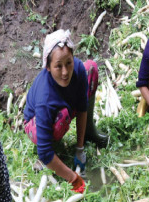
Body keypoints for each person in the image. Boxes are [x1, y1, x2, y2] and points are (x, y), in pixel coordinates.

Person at [23, 29, 108, 193]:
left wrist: (80, 148)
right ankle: (56, 146)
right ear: (48, 67)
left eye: (68, 63)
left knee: (91, 68)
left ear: (73, 58)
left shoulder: (78, 70)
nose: (65, 72)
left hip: (66, 106)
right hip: (36, 122)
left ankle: (89, 132)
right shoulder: (44, 97)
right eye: (58, 66)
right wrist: (73, 178)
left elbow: (82, 107)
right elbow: (45, 152)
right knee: (62, 117)